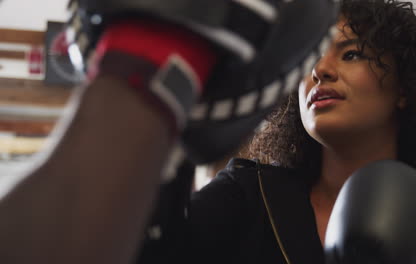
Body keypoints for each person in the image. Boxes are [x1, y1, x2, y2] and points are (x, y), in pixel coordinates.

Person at [0, 0, 337, 263]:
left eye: (351, 53)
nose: (322, 71)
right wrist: (154, 65)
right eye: (317, 62)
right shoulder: (249, 193)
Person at [168, 0, 416, 263]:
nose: (319, 71)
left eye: (351, 54)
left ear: (406, 86)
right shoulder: (244, 196)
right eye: (310, 59)